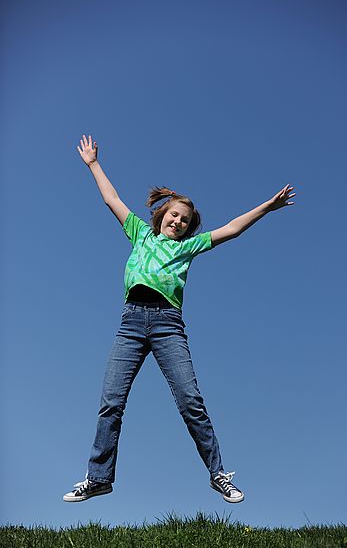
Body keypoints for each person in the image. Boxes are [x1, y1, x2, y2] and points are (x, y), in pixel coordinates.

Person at [63, 134, 295, 504]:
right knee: (111, 401)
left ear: (190, 228)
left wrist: (266, 206)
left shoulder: (187, 248)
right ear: (161, 215)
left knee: (190, 400)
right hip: (131, 324)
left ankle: (218, 473)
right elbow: (112, 199)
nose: (179, 221)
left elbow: (232, 229)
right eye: (174, 215)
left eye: (186, 220)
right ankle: (98, 478)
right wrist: (93, 164)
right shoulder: (139, 233)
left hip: (168, 325)